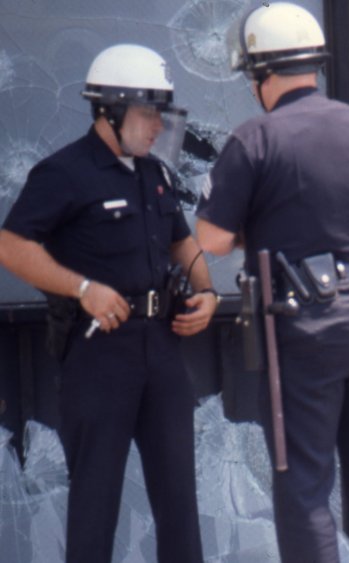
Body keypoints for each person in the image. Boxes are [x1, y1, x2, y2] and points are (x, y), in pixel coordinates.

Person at [194, 3, 349, 562]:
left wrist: (266, 229)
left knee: (305, 487)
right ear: (314, 66)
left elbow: (212, 239)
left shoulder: (255, 139)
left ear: (260, 75)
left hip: (309, 321)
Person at [0, 44, 216, 562]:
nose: (156, 127)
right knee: (95, 503)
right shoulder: (64, 172)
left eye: (159, 113)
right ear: (109, 112)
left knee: (179, 504)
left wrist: (206, 291)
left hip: (161, 350)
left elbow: (181, 244)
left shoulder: (154, 175)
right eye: (146, 113)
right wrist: (81, 288)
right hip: (100, 353)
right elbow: (12, 245)